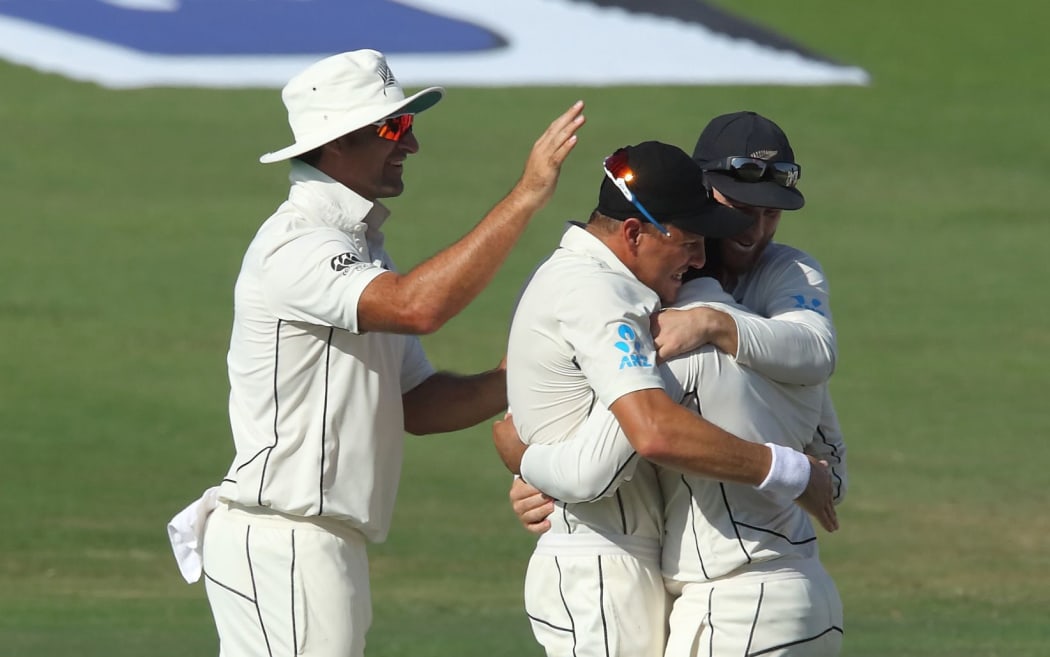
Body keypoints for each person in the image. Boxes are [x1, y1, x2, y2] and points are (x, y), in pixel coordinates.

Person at [165, 49, 585, 657]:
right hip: (286, 537)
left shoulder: (362, 253)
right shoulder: (298, 244)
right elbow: (419, 307)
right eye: (394, 127)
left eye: (408, 126)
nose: (409, 144)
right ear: (336, 143)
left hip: (322, 544)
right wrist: (524, 197)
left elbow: (416, 404)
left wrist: (534, 368)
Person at [503, 111, 848, 655]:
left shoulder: (782, 286)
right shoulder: (625, 295)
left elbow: (817, 372)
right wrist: (525, 455)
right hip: (659, 580)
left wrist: (715, 322)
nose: (754, 233)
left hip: (741, 589)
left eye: (770, 215)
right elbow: (575, 413)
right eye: (736, 213)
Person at [498, 272, 847, 657]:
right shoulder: (790, 349)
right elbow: (833, 482)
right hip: (807, 594)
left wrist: (523, 458)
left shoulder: (672, 354)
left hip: (737, 608)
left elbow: (590, 472)